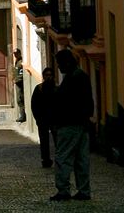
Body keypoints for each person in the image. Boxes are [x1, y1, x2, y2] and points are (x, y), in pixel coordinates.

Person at [49, 49, 94, 202]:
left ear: (67, 63)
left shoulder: (72, 79)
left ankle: (63, 190)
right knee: (81, 159)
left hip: (69, 124)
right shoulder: (81, 76)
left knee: (63, 158)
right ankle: (84, 190)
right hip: (82, 124)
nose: (59, 67)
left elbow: (65, 103)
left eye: (60, 64)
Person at [31, 66, 56, 167]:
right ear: (43, 76)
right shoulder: (39, 89)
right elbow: (34, 105)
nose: (48, 77)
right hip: (43, 119)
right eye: (46, 75)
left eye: (50, 75)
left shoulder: (57, 89)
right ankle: (45, 160)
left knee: (58, 141)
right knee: (44, 141)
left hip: (55, 119)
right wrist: (38, 118)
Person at [12, 48, 26, 122]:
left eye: (16, 53)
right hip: (17, 83)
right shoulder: (16, 61)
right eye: (14, 54)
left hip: (20, 83)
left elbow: (21, 74)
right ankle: (22, 115)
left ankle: (22, 116)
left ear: (19, 53)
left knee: (20, 99)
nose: (15, 55)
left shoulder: (21, 62)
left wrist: (18, 80)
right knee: (19, 99)